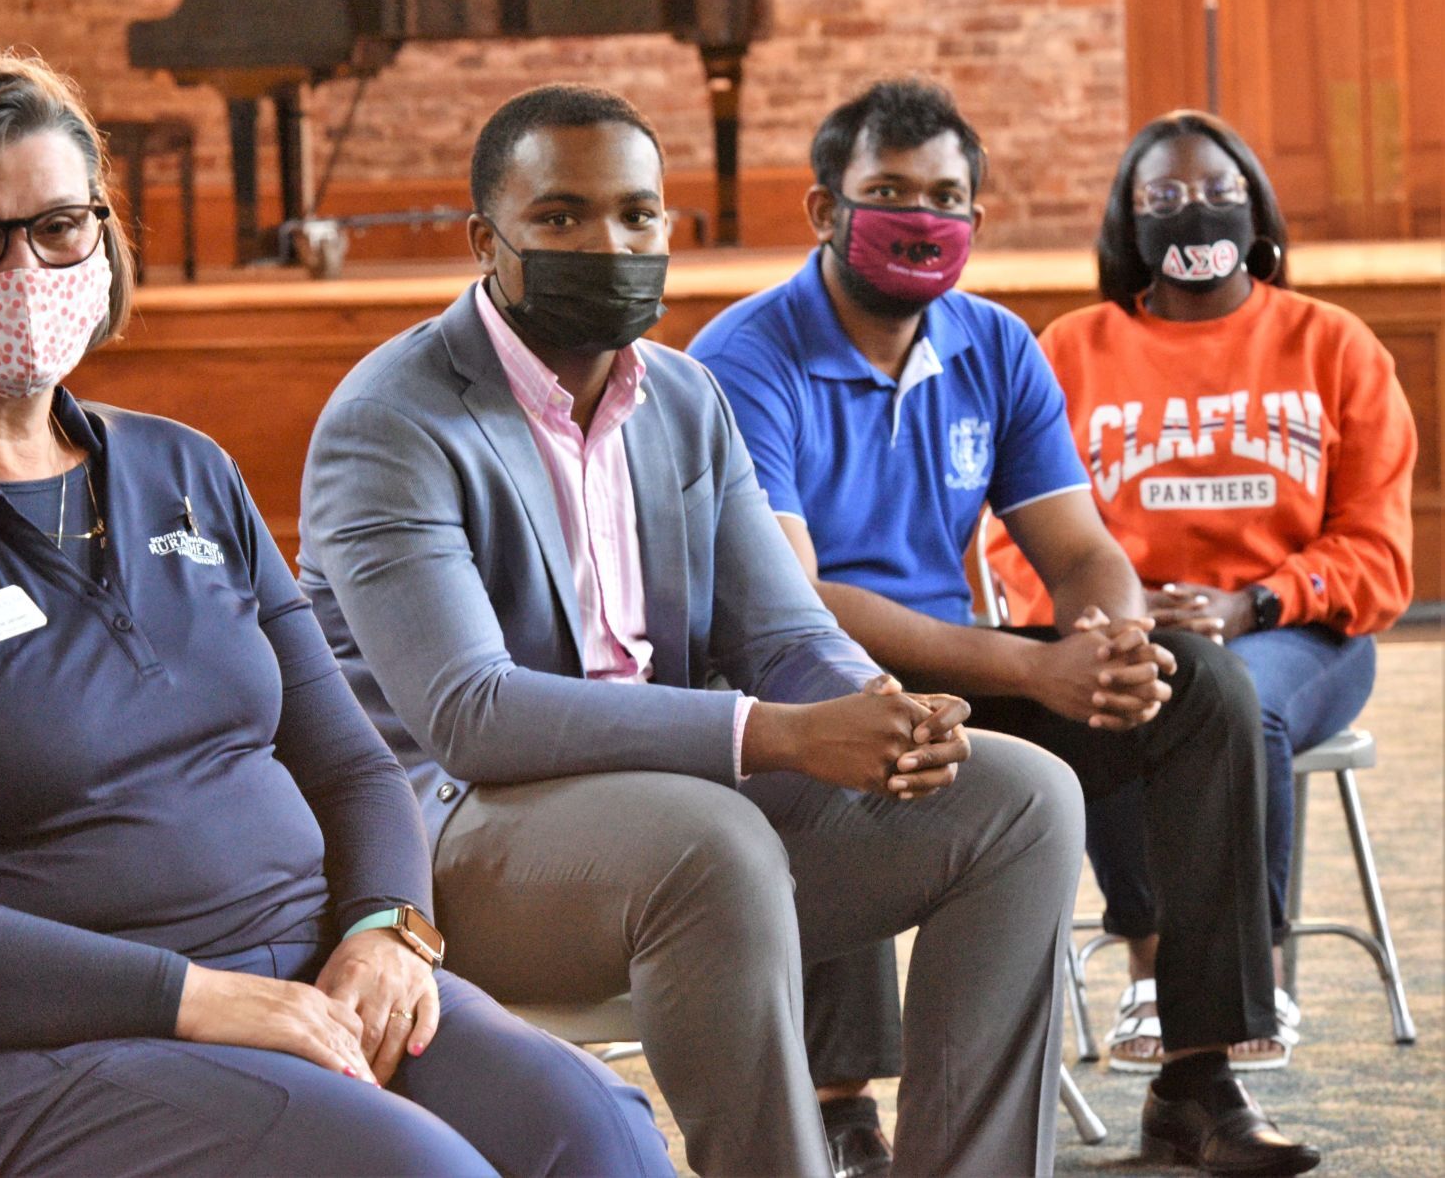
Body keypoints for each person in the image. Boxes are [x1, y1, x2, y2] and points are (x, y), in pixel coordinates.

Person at [0, 50, 670, 1178]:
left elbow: (354, 765)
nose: (27, 267)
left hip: (302, 970)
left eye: (62, 225)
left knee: (603, 1133)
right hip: (24, 1039)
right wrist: (197, 999)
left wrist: (384, 928)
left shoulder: (186, 470)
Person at [298, 82, 1086, 1178]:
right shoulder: (392, 418)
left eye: (636, 215)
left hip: (677, 807)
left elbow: (785, 631)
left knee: (1022, 800)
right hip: (456, 835)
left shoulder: (682, 398)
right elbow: (471, 716)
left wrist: (878, 708)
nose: (608, 242)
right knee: (706, 840)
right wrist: (780, 734)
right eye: (561, 218)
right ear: (488, 239)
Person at [689, 77, 1321, 1175]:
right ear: (823, 210)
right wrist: (1034, 667)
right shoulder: (746, 356)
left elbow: (1077, 550)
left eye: (945, 196)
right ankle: (841, 1104)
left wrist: (1114, 646)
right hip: (807, 671)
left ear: (975, 221)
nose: (920, 219)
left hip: (959, 658)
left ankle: (1195, 1078)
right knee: (848, 708)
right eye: (886, 190)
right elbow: (793, 601)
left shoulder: (992, 344)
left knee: (1201, 690)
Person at [984, 109, 1417, 1073]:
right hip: (1128, 621)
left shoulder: (1334, 345)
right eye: (1164, 198)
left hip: (1297, 634)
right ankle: (1151, 974)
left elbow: (1381, 553)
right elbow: (1012, 540)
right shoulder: (1072, 351)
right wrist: (1111, 618)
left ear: (1256, 212)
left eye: (1220, 194)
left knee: (1236, 699)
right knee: (1118, 687)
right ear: (1127, 225)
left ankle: (1243, 986)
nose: (1195, 213)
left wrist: (1252, 604)